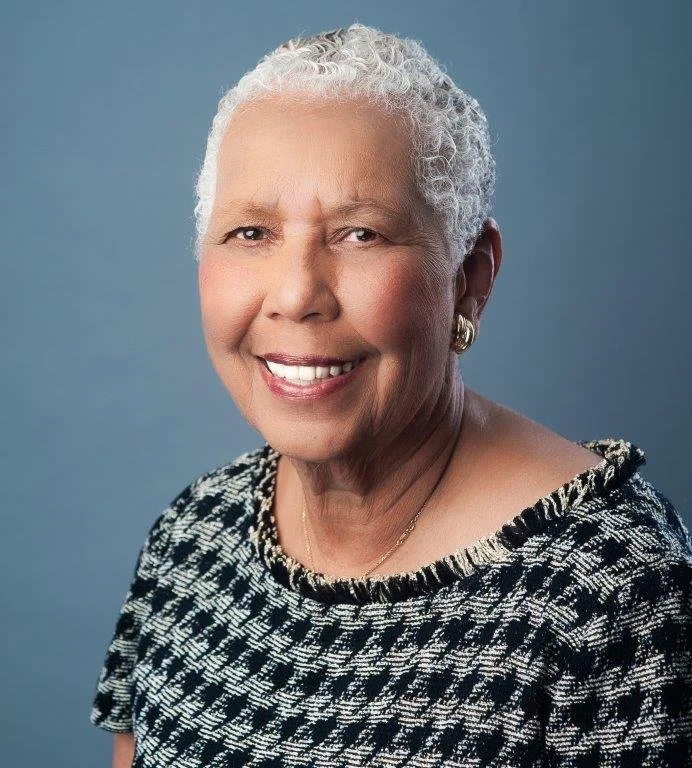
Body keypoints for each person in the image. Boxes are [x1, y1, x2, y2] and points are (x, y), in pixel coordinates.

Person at [89, 23, 692, 768]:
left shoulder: (611, 589)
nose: (296, 294)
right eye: (250, 232)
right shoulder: (192, 539)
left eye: (361, 234)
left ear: (470, 277)